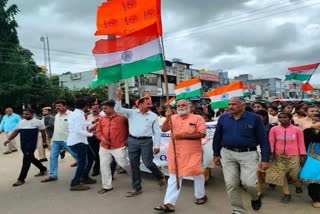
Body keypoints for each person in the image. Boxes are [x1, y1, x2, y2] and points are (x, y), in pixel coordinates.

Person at [213, 97, 270, 213]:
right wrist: (216, 154)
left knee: (249, 183)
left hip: (248, 154)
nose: (230, 106)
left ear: (243, 106)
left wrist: (265, 159)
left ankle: (255, 197)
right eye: (229, 104)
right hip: (227, 154)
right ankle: (237, 210)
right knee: (231, 184)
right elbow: (217, 137)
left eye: (234, 104)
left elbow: (264, 140)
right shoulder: (223, 118)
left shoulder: (254, 118)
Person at [154, 99, 207, 213]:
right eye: (179, 105)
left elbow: (202, 134)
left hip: (192, 152)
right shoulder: (173, 118)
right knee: (174, 176)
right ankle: (169, 204)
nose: (181, 107)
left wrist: (183, 135)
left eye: (183, 105)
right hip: (175, 152)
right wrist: (168, 117)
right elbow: (164, 129)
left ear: (189, 107)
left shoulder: (198, 118)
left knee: (197, 174)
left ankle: (200, 196)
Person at [115, 89, 166, 197]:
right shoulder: (131, 113)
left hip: (146, 142)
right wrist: (119, 98)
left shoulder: (153, 116)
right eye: (148, 104)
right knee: (134, 165)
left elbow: (157, 132)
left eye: (150, 104)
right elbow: (118, 109)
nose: (150, 106)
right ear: (140, 104)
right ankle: (137, 187)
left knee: (148, 163)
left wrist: (157, 145)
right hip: (132, 141)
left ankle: (160, 176)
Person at [266, 112, 306, 203]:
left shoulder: (297, 130)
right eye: (280, 117)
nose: (282, 119)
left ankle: (298, 184)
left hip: (293, 155)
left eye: (285, 117)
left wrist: (302, 154)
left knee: (294, 174)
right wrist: (271, 152)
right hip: (279, 156)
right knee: (282, 174)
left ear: (290, 118)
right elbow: (271, 141)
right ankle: (287, 194)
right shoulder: (274, 129)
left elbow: (301, 142)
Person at [4, 108, 48, 186]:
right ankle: (43, 169)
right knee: (31, 158)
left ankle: (21, 179)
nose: (24, 115)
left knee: (26, 161)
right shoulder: (21, 122)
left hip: (31, 145)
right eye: (24, 114)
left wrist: (44, 142)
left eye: (27, 114)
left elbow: (43, 133)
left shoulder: (38, 122)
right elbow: (16, 132)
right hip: (23, 144)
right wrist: (8, 139)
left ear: (32, 114)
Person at [96, 100, 132, 194]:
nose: (103, 110)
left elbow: (131, 129)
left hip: (119, 145)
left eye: (105, 108)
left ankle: (135, 178)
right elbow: (98, 131)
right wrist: (102, 139)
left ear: (112, 108)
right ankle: (107, 186)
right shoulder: (101, 119)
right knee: (104, 165)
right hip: (104, 146)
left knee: (123, 164)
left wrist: (127, 140)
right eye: (103, 108)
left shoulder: (123, 118)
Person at [41, 100, 77, 183]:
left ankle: (84, 172)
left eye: (59, 106)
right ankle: (53, 175)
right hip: (56, 140)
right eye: (56, 106)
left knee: (76, 155)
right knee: (53, 157)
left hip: (67, 140)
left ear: (65, 106)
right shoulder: (56, 115)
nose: (57, 108)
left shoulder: (72, 115)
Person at [67, 98, 98, 191]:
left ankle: (84, 176)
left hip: (80, 141)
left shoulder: (75, 113)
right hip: (78, 141)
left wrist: (93, 122)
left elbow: (82, 124)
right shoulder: (78, 115)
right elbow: (78, 130)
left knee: (91, 156)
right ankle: (75, 183)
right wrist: (92, 134)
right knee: (82, 162)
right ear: (85, 106)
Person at [299, 113, 320, 208]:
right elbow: (312, 139)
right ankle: (316, 198)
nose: (315, 122)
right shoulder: (309, 131)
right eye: (313, 120)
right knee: (313, 180)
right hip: (312, 158)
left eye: (317, 120)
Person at [86, 103, 101, 177]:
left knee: (97, 154)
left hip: (99, 137)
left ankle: (96, 169)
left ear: (99, 108)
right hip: (90, 136)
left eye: (96, 108)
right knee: (91, 154)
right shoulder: (89, 116)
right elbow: (86, 126)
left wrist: (91, 129)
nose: (94, 110)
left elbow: (98, 126)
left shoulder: (103, 116)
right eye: (93, 108)